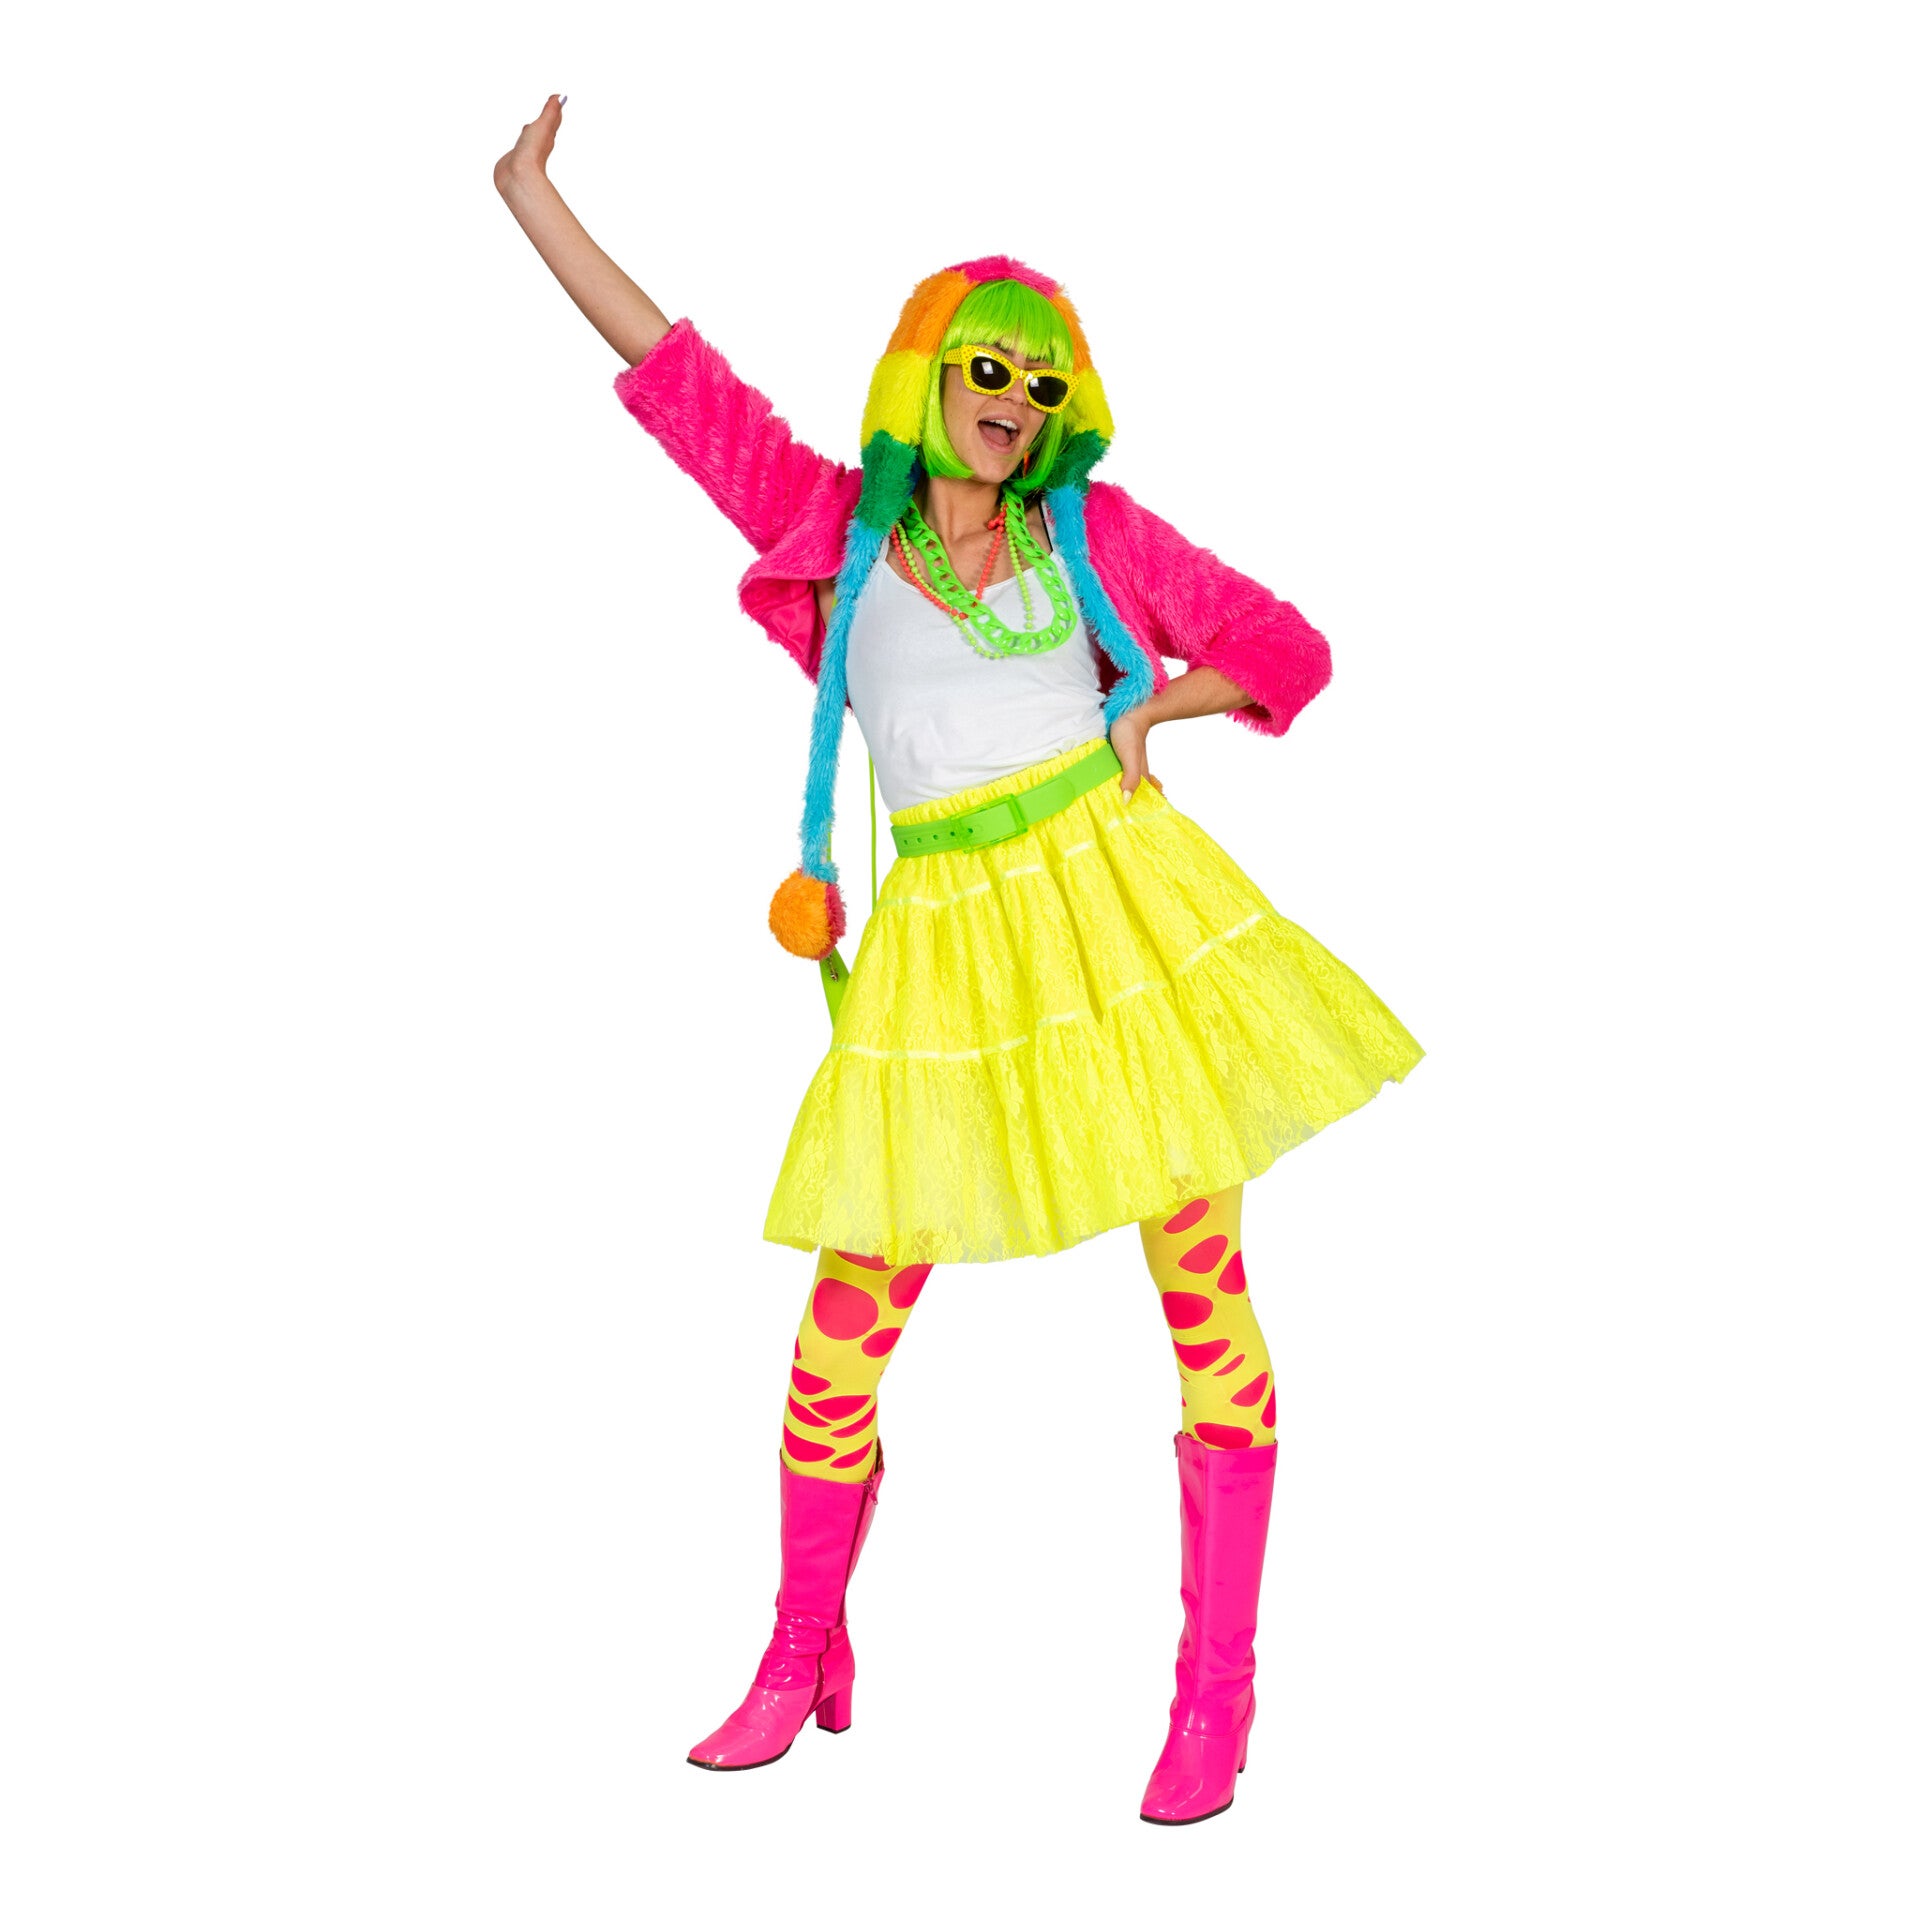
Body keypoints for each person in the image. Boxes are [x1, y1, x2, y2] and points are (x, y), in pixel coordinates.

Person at [495, 93, 1424, 1825]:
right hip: (940, 952)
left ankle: (1214, 1700)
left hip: (1119, 923)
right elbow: (674, 377)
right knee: (845, 1320)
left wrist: (1155, 709)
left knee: (1204, 1296)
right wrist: (530, 197)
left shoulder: (1095, 535)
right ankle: (801, 1648)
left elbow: (1288, 645)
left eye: (1043, 383)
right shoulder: (832, 528)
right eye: (989, 368)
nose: (1015, 402)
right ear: (927, 374)